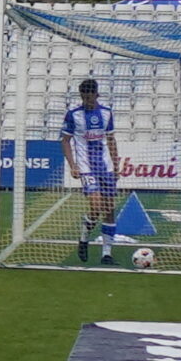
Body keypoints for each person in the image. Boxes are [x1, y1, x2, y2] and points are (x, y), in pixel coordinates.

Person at [61, 78, 122, 265]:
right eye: (84, 97)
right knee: (96, 207)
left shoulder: (106, 113)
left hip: (106, 167)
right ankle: (84, 237)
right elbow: (65, 140)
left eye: (90, 97)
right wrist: (73, 165)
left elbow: (111, 139)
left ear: (97, 95)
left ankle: (106, 253)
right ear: (81, 96)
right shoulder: (73, 115)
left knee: (109, 209)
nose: (87, 100)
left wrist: (116, 163)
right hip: (87, 168)